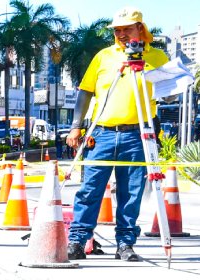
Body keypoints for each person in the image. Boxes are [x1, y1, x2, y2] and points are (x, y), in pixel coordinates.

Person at [66, 7, 169, 262]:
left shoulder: (157, 57)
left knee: (131, 192)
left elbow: (171, 90)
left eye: (127, 28)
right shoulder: (104, 57)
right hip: (102, 133)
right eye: (117, 30)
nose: (122, 34)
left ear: (140, 29)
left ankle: (125, 243)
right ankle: (78, 240)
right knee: (90, 189)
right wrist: (76, 126)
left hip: (137, 135)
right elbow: (85, 91)